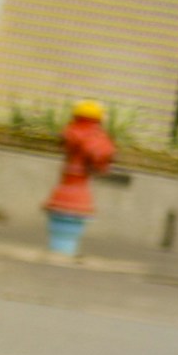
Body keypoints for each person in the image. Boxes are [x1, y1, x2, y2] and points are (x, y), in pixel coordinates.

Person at [42, 99, 116, 260]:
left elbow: (67, 141)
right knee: (71, 217)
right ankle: (64, 250)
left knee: (64, 217)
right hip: (78, 189)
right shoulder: (96, 136)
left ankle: (60, 250)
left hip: (68, 186)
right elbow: (101, 156)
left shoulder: (71, 131)